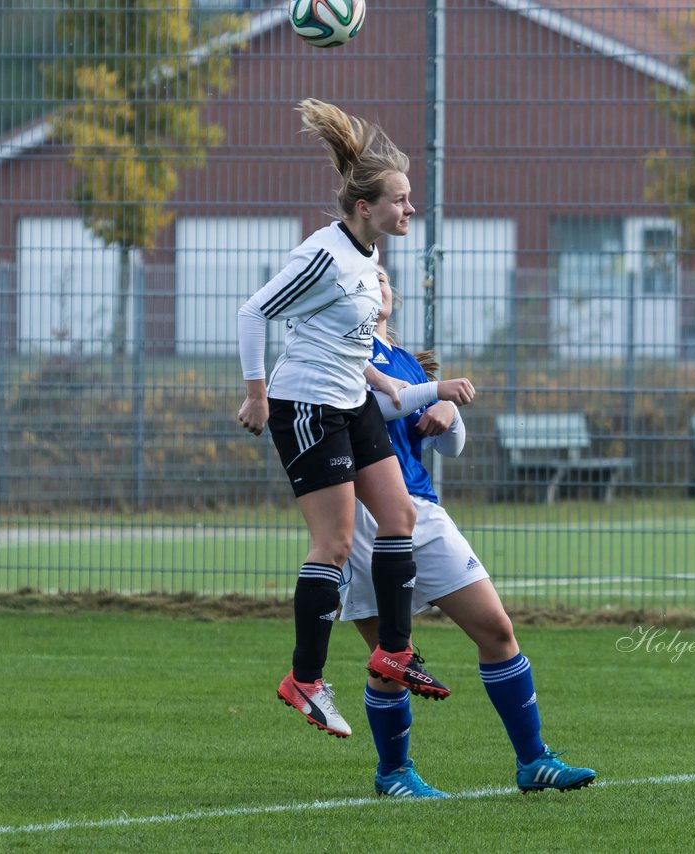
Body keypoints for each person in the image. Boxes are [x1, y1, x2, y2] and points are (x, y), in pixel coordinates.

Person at [236, 99, 476, 738]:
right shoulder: (324, 254)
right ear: (364, 207)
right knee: (336, 544)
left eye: (409, 198)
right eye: (400, 200)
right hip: (306, 407)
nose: (410, 208)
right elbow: (253, 313)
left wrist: (391, 383)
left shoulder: (369, 262)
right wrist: (257, 394)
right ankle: (304, 680)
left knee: (397, 516)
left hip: (350, 400)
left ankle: (395, 651)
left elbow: (339, 341)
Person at [341, 268, 598, 796]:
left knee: (497, 629)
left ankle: (534, 761)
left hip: (424, 513)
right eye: (368, 279)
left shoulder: (407, 359)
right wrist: (435, 392)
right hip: (365, 516)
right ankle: (394, 774)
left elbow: (449, 444)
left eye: (384, 277)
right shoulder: (343, 351)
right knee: (394, 659)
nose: (378, 285)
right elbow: (375, 407)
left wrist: (446, 409)